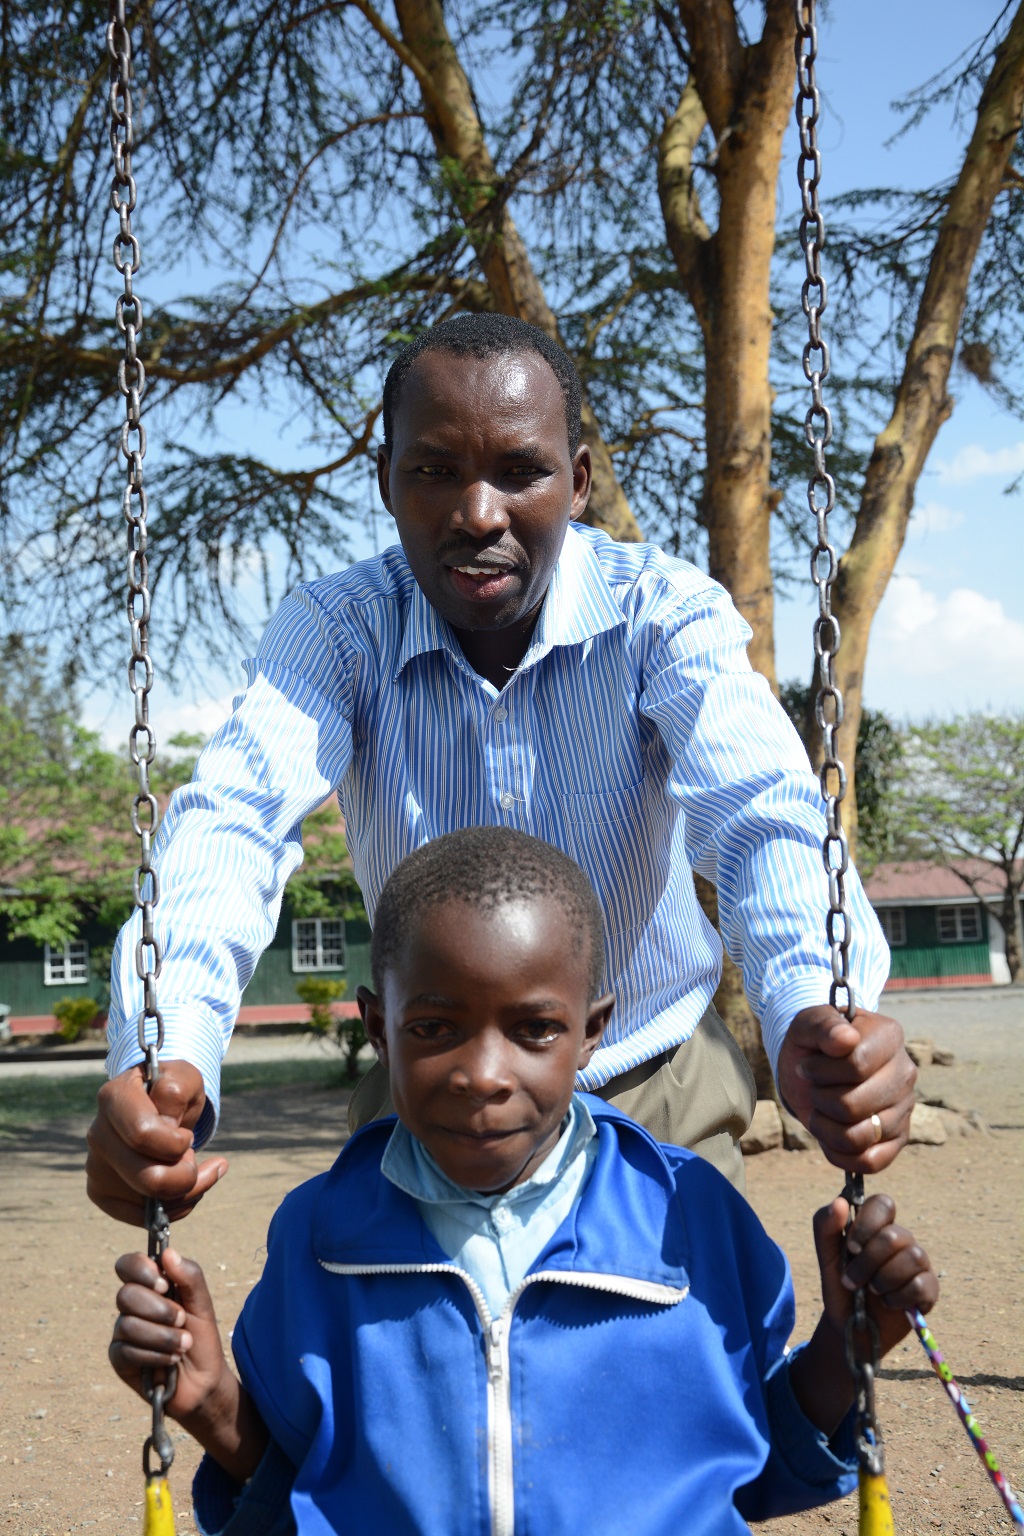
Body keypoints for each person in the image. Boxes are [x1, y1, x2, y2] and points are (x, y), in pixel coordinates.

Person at [88, 313, 916, 1221]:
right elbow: (234, 824)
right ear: (386, 481)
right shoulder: (336, 630)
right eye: (436, 471)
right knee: (400, 1355)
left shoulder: (662, 613)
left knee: (675, 1352)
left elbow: (762, 811)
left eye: (521, 471)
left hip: (653, 1080)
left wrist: (813, 1003)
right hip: (436, 1098)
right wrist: (165, 1045)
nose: (479, 513)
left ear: (579, 482)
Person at [109, 829, 937, 1535]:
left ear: (591, 1033)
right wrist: (214, 1402)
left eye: (536, 1029)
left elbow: (746, 1467)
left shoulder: (686, 1216)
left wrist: (844, 1348)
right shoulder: (322, 1235)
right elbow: (308, 1494)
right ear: (376, 1028)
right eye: (434, 1028)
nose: (484, 1075)